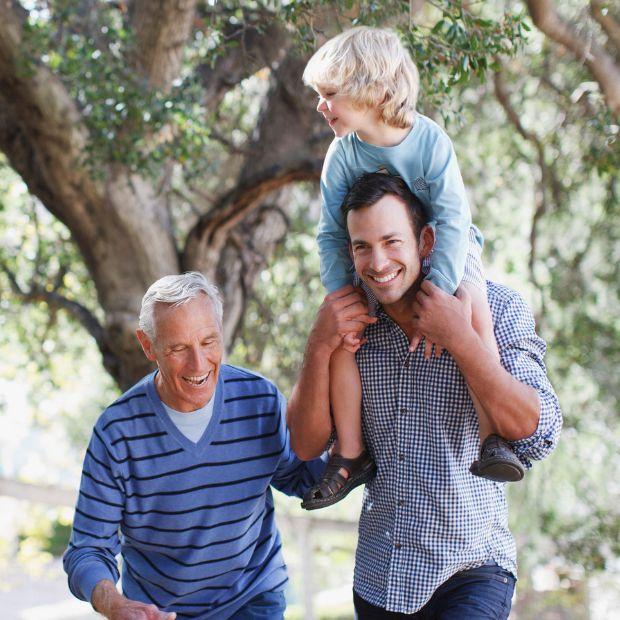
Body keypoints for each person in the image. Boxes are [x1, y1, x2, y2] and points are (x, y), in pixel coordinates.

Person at [287, 173, 563, 617]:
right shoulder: (348, 324)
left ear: (427, 240)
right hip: (381, 577)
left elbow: (538, 433)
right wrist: (318, 345)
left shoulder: (494, 309)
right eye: (362, 247)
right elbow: (304, 444)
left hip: (472, 571)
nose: (377, 263)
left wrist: (462, 340)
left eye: (392, 242)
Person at [300, 26, 523, 510]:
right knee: (343, 333)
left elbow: (454, 217)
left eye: (329, 94)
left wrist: (440, 295)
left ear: (373, 90)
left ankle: (492, 438)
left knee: (473, 307)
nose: (321, 106)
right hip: (381, 260)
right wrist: (343, 295)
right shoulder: (343, 154)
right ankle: (350, 453)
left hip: (450, 247)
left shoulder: (429, 142)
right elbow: (331, 233)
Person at [63, 272, 326, 620]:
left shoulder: (259, 400)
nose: (199, 365)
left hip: (252, 598)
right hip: (158, 611)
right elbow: (88, 549)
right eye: (177, 348)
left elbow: (302, 479)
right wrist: (113, 603)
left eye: (208, 342)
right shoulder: (117, 433)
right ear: (147, 345)